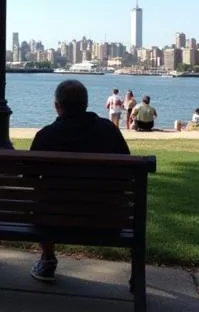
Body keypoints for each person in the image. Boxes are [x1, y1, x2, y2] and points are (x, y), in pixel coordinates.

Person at [29, 79, 129, 283]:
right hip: (107, 217)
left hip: (53, 218)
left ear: (57, 107)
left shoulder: (45, 136)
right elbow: (127, 171)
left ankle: (48, 259)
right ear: (86, 104)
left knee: (41, 203)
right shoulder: (109, 130)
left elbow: (29, 178)